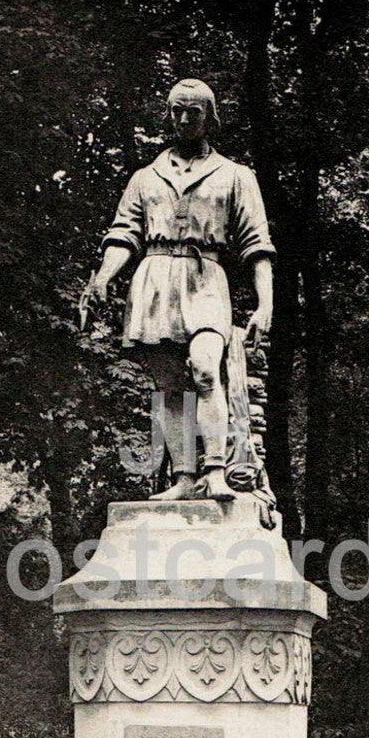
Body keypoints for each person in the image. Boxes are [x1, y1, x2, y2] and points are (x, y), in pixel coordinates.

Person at [83, 78, 275, 504]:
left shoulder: (235, 176)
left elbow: (257, 245)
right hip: (154, 277)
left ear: (210, 117)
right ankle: (185, 477)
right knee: (168, 385)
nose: (185, 118)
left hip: (206, 275)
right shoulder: (144, 177)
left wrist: (265, 304)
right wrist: (103, 276)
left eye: (195, 111)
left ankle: (216, 471)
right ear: (167, 114)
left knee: (207, 369)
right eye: (177, 110)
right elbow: (123, 235)